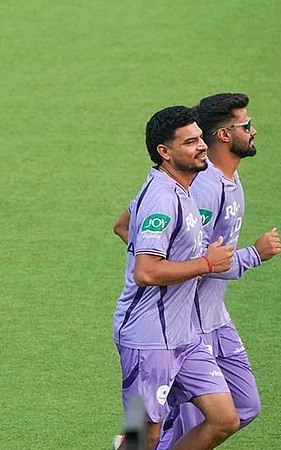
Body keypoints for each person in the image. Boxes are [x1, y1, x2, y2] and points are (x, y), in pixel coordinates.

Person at [129, 94, 279, 449]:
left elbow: (128, 226)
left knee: (238, 409)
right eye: (245, 125)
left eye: (198, 138)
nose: (253, 130)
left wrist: (177, 260)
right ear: (225, 134)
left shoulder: (213, 180)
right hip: (172, 326)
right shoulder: (202, 188)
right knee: (150, 431)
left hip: (209, 319)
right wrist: (252, 256)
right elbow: (152, 261)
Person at [110, 105, 241, 450]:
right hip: (148, 338)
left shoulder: (182, 188)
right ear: (165, 152)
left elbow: (122, 225)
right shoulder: (162, 199)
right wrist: (205, 264)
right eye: (189, 142)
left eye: (200, 138)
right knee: (143, 436)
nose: (202, 146)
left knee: (224, 419)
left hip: (184, 334)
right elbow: (145, 271)